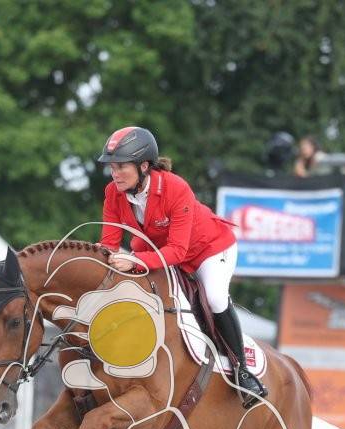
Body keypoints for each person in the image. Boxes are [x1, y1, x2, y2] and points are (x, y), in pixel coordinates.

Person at [97, 126, 267, 406]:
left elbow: (178, 250)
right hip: (160, 253)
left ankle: (243, 371)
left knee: (214, 297)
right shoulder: (113, 193)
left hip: (209, 250)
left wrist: (136, 260)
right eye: (112, 168)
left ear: (143, 166)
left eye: (121, 167)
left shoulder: (175, 188)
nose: (115, 174)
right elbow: (109, 245)